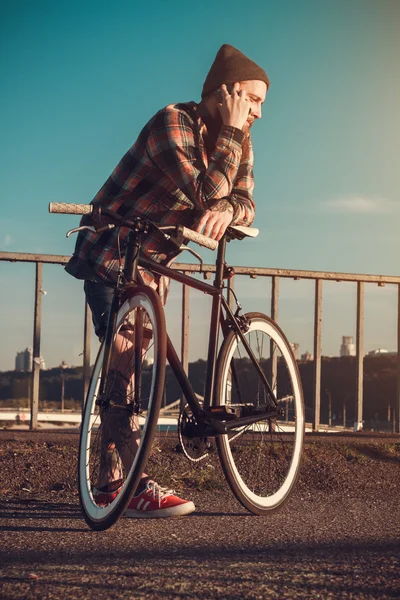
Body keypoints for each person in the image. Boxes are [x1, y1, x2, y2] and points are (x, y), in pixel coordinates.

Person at [66, 43, 269, 518]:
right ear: (226, 92)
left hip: (154, 264)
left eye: (261, 104)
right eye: (253, 100)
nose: (258, 112)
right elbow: (203, 192)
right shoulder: (171, 123)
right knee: (124, 363)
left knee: (132, 371)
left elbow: (245, 200)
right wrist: (220, 184)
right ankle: (131, 484)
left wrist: (228, 208)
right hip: (111, 251)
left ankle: (109, 485)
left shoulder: (240, 141)